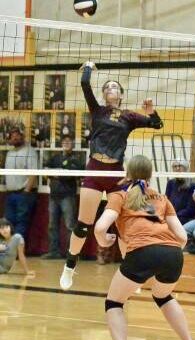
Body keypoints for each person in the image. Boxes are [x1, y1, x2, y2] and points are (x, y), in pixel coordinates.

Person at [60, 61, 163, 290]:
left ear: (121, 94)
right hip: (95, 169)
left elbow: (157, 125)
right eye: (106, 87)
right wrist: (87, 67)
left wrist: (151, 111)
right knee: (83, 224)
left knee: (125, 223)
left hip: (116, 173)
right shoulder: (97, 110)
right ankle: (69, 267)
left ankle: (132, 274)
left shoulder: (129, 116)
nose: (109, 89)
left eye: (114, 86)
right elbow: (85, 84)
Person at [93, 155, 195, 340]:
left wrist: (103, 240)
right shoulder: (162, 198)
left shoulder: (119, 196)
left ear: (127, 173)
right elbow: (183, 237)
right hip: (173, 252)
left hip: (143, 251)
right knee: (163, 296)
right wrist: (166, 252)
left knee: (114, 303)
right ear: (151, 174)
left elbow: (100, 227)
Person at [42, 135, 82, 259]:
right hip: (54, 196)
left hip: (68, 196)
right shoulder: (56, 157)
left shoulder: (76, 159)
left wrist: (57, 174)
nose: (66, 143)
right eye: (64, 141)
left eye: (69, 141)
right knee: (52, 225)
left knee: (70, 225)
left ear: (73, 144)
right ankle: (54, 251)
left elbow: (70, 176)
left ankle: (72, 253)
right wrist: (58, 173)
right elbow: (46, 170)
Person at [4, 127, 38, 240]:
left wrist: (26, 191)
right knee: (8, 223)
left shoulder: (30, 151)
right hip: (10, 194)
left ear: (22, 137)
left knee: (21, 223)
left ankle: (18, 252)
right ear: (9, 140)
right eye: (12, 136)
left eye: (17, 135)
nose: (15, 138)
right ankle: (9, 251)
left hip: (24, 194)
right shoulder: (9, 153)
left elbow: (33, 172)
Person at [165, 159, 195, 225]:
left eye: (180, 166)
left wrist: (174, 215)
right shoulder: (170, 183)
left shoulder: (192, 185)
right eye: (175, 166)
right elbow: (166, 202)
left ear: (185, 168)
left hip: (183, 217)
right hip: (171, 215)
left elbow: (191, 209)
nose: (177, 168)